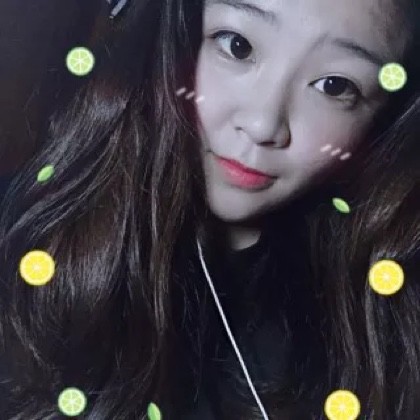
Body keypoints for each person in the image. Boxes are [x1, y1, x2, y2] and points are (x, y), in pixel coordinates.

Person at [0, 0, 419, 418]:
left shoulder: (383, 314)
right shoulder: (23, 236)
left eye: (335, 86)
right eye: (237, 46)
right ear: (172, 32)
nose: (263, 124)